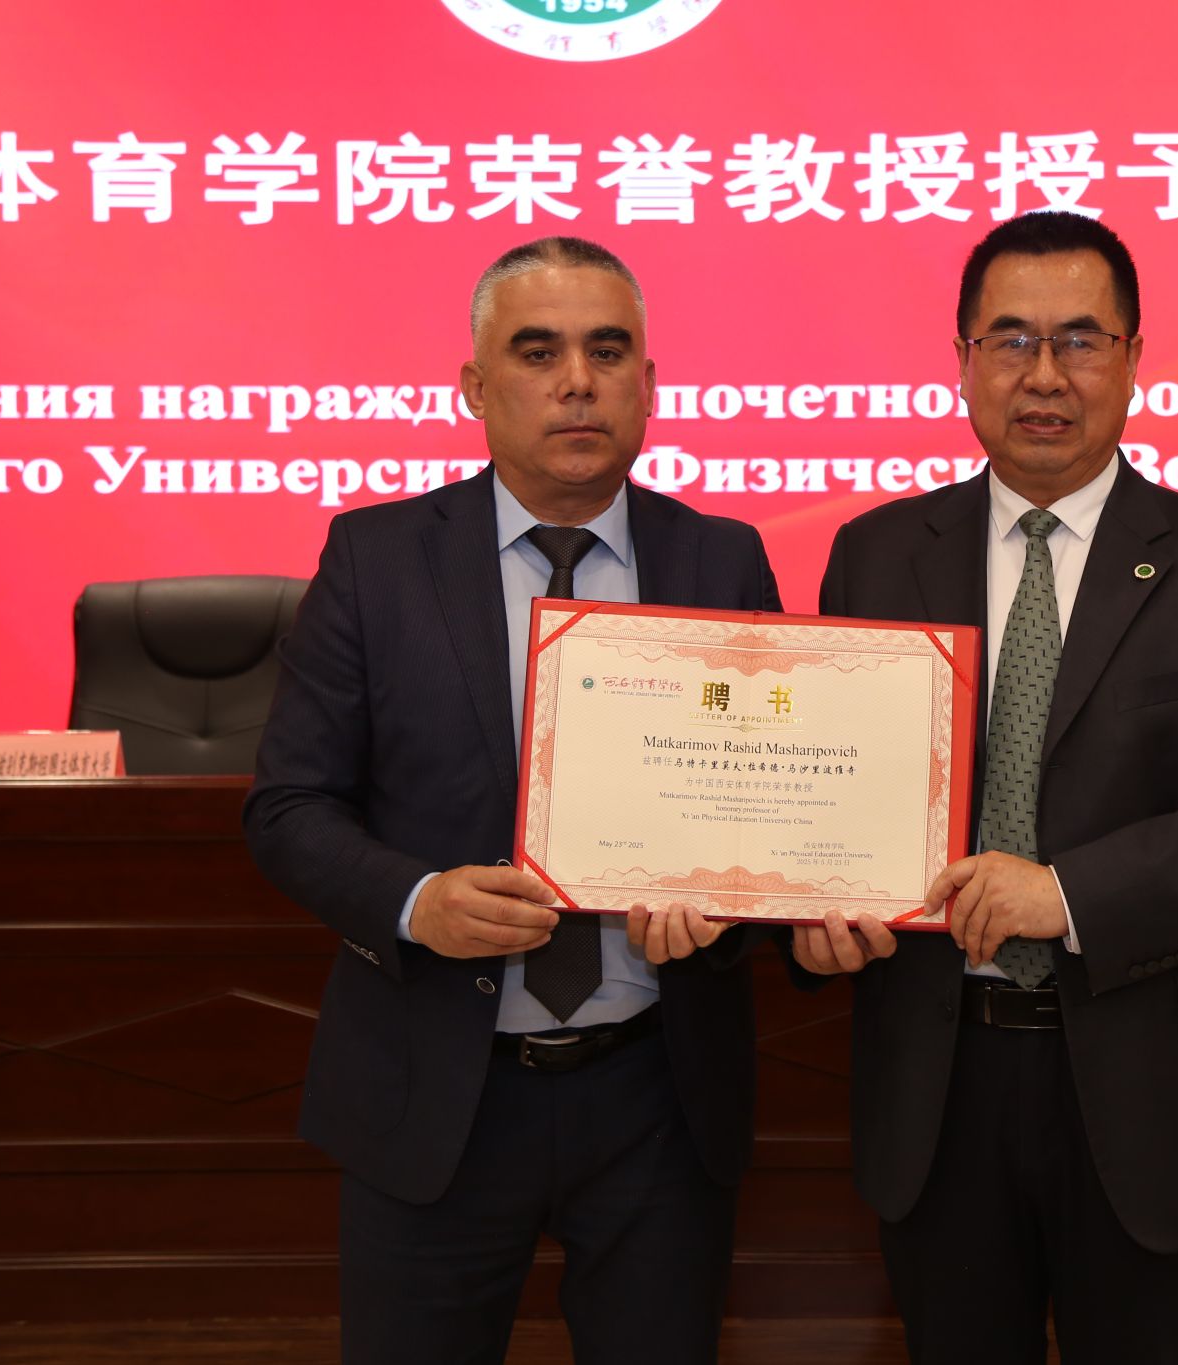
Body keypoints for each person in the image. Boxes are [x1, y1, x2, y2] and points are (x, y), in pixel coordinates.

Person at [795, 211, 1178, 1364]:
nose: (1042, 375)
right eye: (1008, 340)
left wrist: (1066, 894)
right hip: (936, 1083)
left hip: (1146, 1086)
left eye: (1079, 340)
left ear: (1133, 357)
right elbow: (835, 791)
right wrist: (814, 910)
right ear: (961, 361)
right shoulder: (876, 554)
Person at [244, 236, 781, 1365]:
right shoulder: (377, 557)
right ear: (476, 387)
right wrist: (417, 901)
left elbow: (762, 811)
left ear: (648, 382)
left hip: (657, 1091)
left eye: (607, 351)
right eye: (538, 353)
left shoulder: (720, 559)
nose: (577, 382)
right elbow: (289, 807)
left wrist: (726, 910)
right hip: (437, 1085)